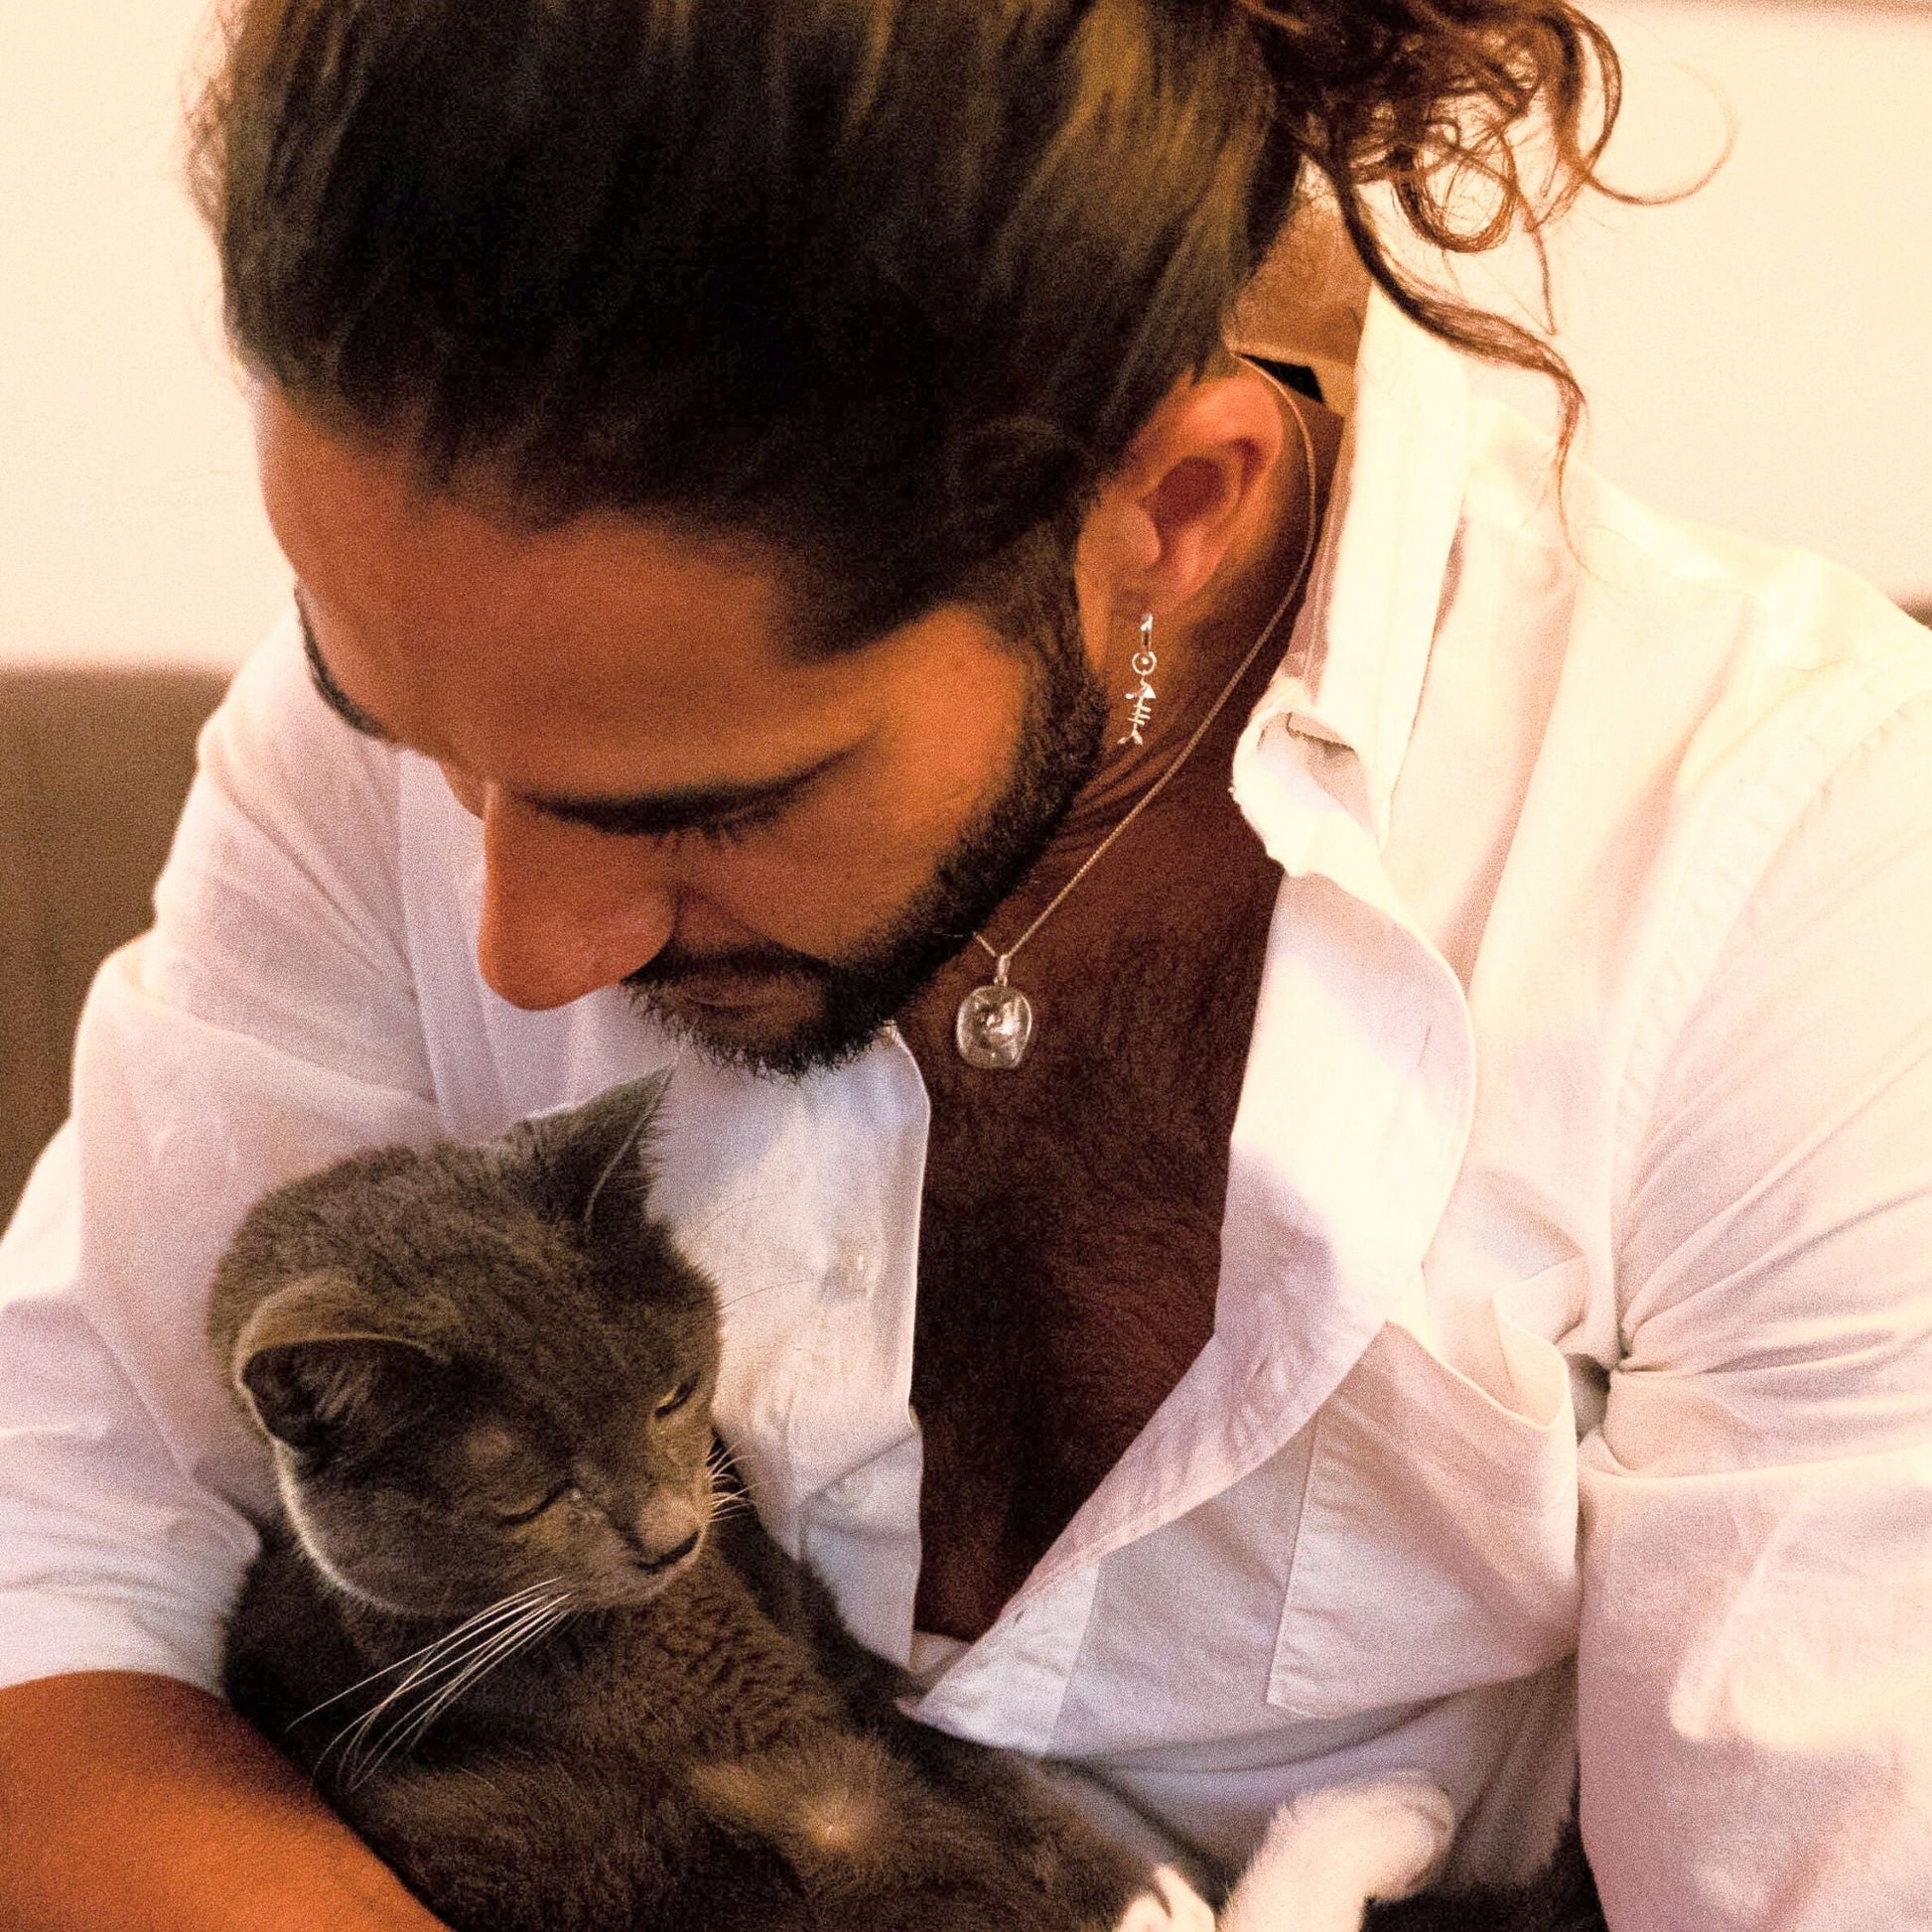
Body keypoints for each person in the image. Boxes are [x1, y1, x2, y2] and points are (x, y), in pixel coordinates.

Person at [2, 1, 1929, 1927]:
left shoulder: (1790, 873)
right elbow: (57, 1557)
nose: (520, 953)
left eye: (701, 804)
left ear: (1172, 507)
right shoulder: (464, 650)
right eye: (407, 740)